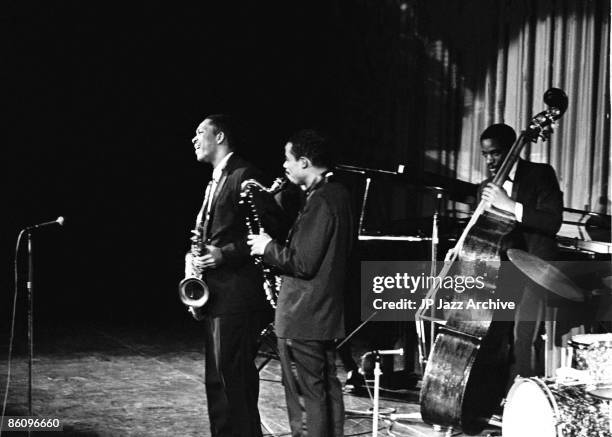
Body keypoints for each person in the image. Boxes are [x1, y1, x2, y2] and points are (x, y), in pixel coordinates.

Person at [248, 129, 354, 437]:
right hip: (323, 313)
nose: (284, 165)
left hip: (303, 315)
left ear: (305, 162)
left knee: (306, 397)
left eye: (288, 159)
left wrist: (266, 247)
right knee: (326, 389)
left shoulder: (322, 200)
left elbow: (303, 263)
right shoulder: (339, 194)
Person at [187, 114, 272, 437]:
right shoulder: (216, 179)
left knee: (233, 382)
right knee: (217, 382)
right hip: (216, 294)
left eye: (200, 132)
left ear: (219, 136)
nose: (194, 139)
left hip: (236, 294)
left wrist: (225, 253)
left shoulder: (244, 174)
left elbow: (267, 233)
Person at [478, 123, 563, 380]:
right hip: (502, 269)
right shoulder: (486, 186)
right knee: (494, 336)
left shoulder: (540, 174)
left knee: (522, 338)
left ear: (513, 149)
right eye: (485, 154)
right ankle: (492, 398)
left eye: (495, 153)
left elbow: (552, 222)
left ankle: (521, 401)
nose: (490, 160)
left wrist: (510, 205)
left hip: (535, 267)